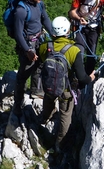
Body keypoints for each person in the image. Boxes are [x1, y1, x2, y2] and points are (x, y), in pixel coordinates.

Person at [38, 16, 95, 155]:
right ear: (67, 31)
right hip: (66, 88)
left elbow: (41, 62)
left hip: (49, 85)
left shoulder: (45, 47)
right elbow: (82, 77)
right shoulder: (74, 51)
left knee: (49, 99)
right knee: (65, 115)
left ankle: (45, 118)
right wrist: (91, 78)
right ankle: (59, 144)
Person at [13, 0, 53, 116]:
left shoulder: (39, 4)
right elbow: (18, 34)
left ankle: (37, 91)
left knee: (40, 65)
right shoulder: (21, 11)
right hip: (28, 43)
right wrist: (27, 51)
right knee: (24, 74)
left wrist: (54, 35)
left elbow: (45, 19)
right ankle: (17, 104)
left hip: (39, 39)